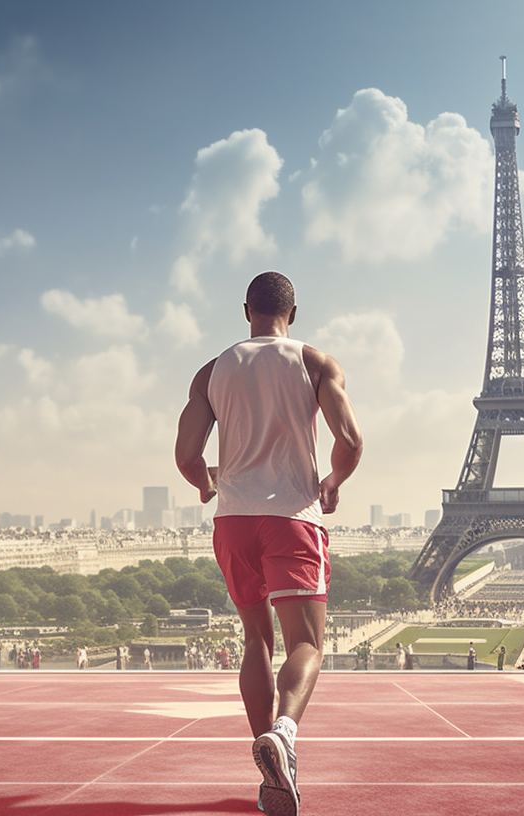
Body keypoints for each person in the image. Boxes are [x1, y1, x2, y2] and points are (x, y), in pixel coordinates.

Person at [174, 271, 363, 816]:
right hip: (291, 517)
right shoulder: (315, 363)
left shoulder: (211, 371)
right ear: (293, 313)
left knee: (255, 637)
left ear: (245, 312)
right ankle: (284, 733)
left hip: (234, 520)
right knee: (306, 644)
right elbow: (349, 440)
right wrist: (332, 482)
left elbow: (187, 457)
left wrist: (207, 483)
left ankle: (270, 763)